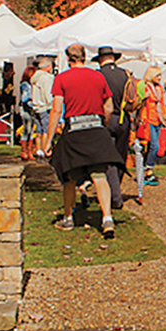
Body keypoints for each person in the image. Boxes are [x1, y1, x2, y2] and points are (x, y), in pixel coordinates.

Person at [47, 43, 121, 237]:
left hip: (74, 131)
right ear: (85, 56)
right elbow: (109, 107)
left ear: (68, 59)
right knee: (99, 176)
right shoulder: (98, 76)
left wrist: (48, 140)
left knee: (69, 178)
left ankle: (68, 218)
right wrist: (102, 126)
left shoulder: (62, 78)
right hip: (96, 129)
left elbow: (56, 111)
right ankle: (107, 218)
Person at [95, 46, 137, 211]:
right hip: (124, 118)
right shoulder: (126, 74)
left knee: (109, 158)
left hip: (107, 117)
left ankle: (115, 195)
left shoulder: (99, 75)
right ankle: (115, 189)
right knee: (120, 156)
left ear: (100, 60)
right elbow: (132, 99)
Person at [138, 65, 166, 187]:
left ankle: (148, 170)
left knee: (153, 146)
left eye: (160, 75)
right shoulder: (145, 88)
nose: (159, 78)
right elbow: (141, 104)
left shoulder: (159, 88)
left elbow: (162, 104)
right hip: (148, 120)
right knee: (154, 145)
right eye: (157, 75)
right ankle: (148, 170)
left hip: (157, 119)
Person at [29, 56, 55, 157]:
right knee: (46, 130)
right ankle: (45, 150)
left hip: (36, 106)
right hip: (45, 107)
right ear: (48, 66)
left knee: (38, 131)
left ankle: (38, 150)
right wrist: (51, 104)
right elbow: (47, 94)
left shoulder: (36, 77)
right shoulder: (46, 78)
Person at [18, 62, 38, 161]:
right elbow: (25, 98)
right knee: (27, 129)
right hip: (26, 109)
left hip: (31, 108)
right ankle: (24, 151)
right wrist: (33, 105)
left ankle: (29, 150)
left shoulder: (31, 85)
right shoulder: (25, 85)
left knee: (31, 130)